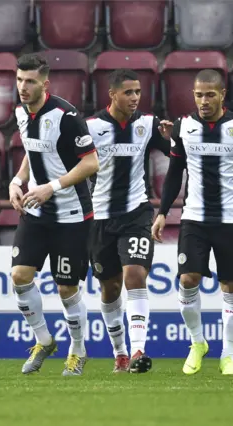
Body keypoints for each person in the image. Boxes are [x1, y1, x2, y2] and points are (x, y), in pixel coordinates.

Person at [151, 69, 233, 376]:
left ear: (222, 94)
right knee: (187, 280)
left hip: (230, 218)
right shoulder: (183, 127)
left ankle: (228, 356)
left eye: (210, 94)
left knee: (231, 285)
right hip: (194, 218)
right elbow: (175, 173)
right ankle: (198, 343)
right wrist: (162, 212)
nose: (203, 101)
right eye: (198, 95)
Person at [9, 53, 99, 376]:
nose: (23, 87)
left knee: (66, 288)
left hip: (71, 214)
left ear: (45, 84)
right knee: (20, 276)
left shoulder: (66, 115)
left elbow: (91, 163)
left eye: (30, 81)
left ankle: (78, 349)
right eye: (19, 80)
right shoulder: (21, 111)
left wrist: (52, 186)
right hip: (36, 211)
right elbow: (32, 151)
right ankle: (44, 340)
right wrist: (17, 181)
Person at [86, 69, 172, 374]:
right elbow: (73, 164)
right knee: (109, 288)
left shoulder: (148, 124)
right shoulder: (92, 127)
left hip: (136, 213)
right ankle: (120, 352)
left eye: (138, 92)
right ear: (112, 94)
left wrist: (170, 139)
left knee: (135, 275)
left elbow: (175, 155)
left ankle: (138, 350)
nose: (135, 98)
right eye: (128, 92)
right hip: (100, 218)